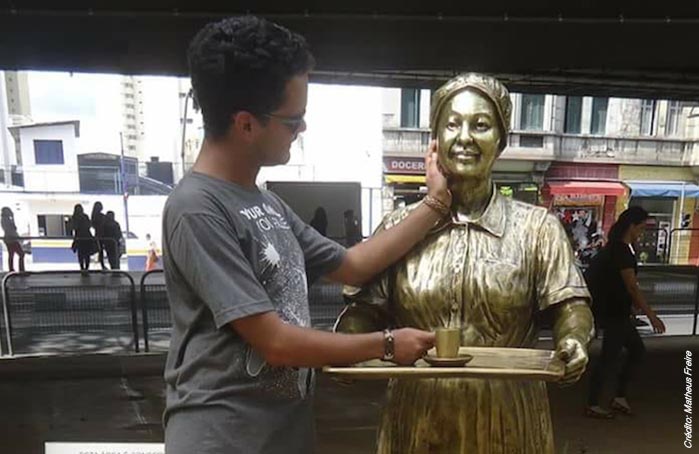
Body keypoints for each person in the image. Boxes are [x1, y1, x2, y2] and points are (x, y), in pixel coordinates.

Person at [161, 16, 450, 454]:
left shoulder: (266, 204)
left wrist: (436, 203)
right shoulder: (197, 209)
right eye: (293, 121)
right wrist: (386, 345)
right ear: (245, 124)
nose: (302, 130)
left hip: (281, 433)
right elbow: (275, 343)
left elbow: (354, 264)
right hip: (223, 438)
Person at [335, 73, 594, 454]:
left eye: (482, 125)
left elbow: (570, 306)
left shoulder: (538, 228)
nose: (466, 137)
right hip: (418, 416)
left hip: (508, 416)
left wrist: (573, 339)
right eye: (453, 124)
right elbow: (364, 310)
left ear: (500, 142)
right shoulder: (398, 228)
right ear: (436, 140)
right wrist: (346, 346)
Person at [585, 206, 666, 418]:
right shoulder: (621, 251)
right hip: (615, 312)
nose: (642, 232)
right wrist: (651, 315)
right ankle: (595, 402)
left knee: (632, 351)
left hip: (616, 310)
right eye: (641, 227)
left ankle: (616, 397)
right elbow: (631, 286)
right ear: (632, 226)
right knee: (610, 357)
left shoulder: (614, 248)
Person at [71, 204, 95, 271]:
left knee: (82, 254)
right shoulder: (84, 216)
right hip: (85, 237)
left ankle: (84, 268)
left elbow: (73, 227)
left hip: (80, 238)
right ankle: (85, 268)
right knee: (85, 254)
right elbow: (89, 225)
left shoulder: (74, 217)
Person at [1, 207, 25, 272]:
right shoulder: (5, 220)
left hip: (9, 239)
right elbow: (13, 229)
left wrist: (12, 217)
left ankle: (11, 269)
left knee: (11, 254)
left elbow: (14, 227)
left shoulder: (6, 219)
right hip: (11, 239)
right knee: (21, 254)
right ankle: (21, 269)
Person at [90, 201, 107, 270]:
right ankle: (102, 264)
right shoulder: (101, 216)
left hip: (97, 234)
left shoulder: (93, 216)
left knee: (100, 250)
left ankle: (101, 263)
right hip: (103, 235)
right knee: (101, 250)